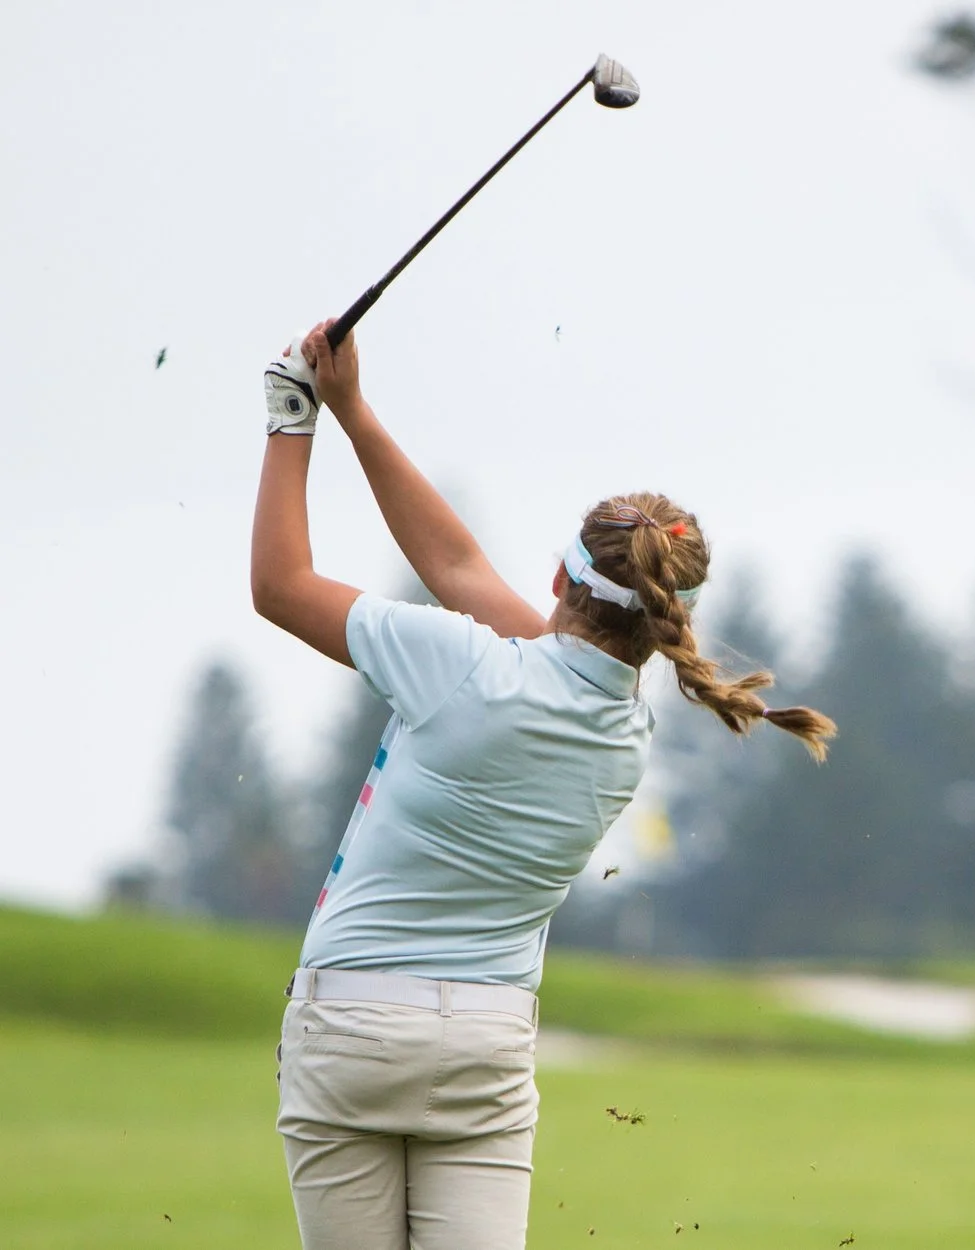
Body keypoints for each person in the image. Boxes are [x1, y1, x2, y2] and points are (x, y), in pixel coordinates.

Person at [251, 320, 834, 1250]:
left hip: (353, 1021)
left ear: (561, 574)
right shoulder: (624, 731)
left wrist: (296, 415)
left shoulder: (462, 664)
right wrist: (353, 410)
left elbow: (284, 586)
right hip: (484, 1047)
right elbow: (459, 569)